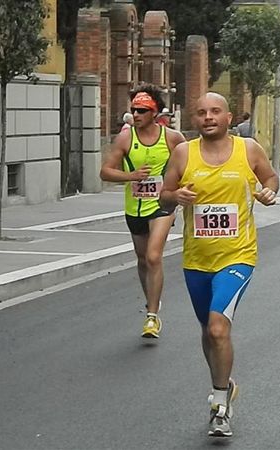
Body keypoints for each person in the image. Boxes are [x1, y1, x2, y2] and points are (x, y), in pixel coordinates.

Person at [160, 92, 278, 438]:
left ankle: (220, 403)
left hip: (237, 255)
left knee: (217, 328)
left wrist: (268, 192)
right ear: (194, 120)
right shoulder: (184, 153)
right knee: (207, 332)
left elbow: (270, 178)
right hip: (197, 259)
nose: (208, 117)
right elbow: (164, 196)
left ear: (229, 118)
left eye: (215, 111)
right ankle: (223, 382)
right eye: (201, 113)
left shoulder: (248, 149)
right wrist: (175, 196)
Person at [100, 85, 186, 338]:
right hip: (135, 207)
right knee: (141, 259)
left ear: (155, 112)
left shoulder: (172, 138)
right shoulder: (126, 138)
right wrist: (131, 176)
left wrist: (181, 188)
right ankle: (152, 301)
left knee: (153, 256)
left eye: (142, 110)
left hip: (162, 206)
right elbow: (105, 171)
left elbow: (190, 162)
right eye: (134, 110)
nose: (136, 114)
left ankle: (151, 316)